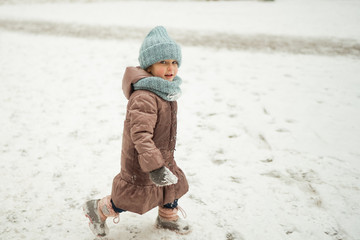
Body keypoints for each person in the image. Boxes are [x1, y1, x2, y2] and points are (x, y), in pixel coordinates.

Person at [82, 26, 190, 237]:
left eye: (174, 62)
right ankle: (98, 209)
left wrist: (161, 161)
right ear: (149, 65)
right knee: (132, 196)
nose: (171, 68)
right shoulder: (144, 96)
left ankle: (168, 217)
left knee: (172, 185)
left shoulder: (164, 90)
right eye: (163, 62)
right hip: (142, 159)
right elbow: (140, 135)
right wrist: (155, 165)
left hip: (161, 155)